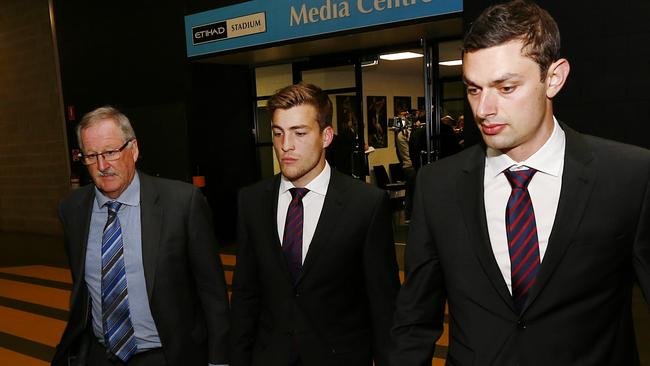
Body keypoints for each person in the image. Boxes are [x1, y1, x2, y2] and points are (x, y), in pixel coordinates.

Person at [390, 1, 650, 365]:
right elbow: (414, 322)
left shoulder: (630, 176)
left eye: (506, 87)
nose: (483, 109)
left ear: (554, 78)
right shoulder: (438, 187)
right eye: (474, 89)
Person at [230, 82, 400, 366]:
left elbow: (384, 306)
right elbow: (246, 295)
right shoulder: (252, 201)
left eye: (299, 133)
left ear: (326, 136)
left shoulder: (365, 204)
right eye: (278, 133)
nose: (286, 146)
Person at [52, 106, 230, 366]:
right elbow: (84, 291)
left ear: (133, 149)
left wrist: (219, 360)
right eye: (91, 156)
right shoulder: (72, 210)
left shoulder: (181, 203)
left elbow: (212, 292)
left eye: (111, 152)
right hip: (100, 355)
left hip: (166, 355)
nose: (102, 166)